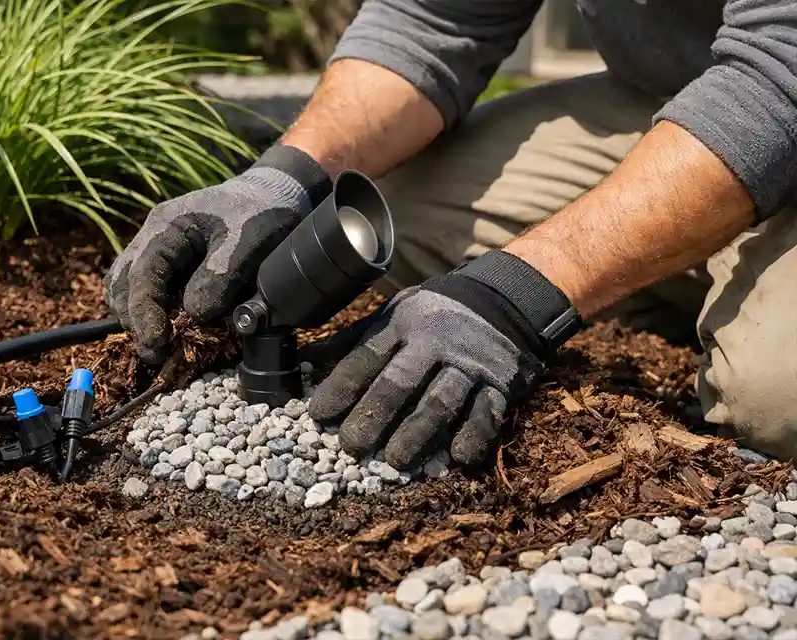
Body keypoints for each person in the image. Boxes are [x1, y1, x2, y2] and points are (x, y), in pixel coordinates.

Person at [104, 0, 797, 470]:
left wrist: (521, 292)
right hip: (680, 91)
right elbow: (432, 16)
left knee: (776, 398)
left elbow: (783, 64)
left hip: (781, 86)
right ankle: (680, 268)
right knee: (379, 226)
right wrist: (282, 179)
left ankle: (681, 275)